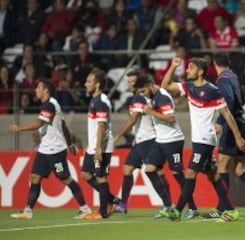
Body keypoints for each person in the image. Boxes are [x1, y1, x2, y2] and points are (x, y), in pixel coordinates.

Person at [160, 57, 245, 222]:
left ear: (200, 71)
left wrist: (238, 137)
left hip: (206, 139)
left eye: (191, 68)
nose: (187, 71)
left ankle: (177, 210)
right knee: (213, 176)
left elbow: (227, 115)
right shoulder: (189, 86)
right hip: (198, 140)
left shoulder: (213, 90)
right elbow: (165, 86)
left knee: (191, 171)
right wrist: (172, 66)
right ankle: (232, 211)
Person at [202, 52, 245, 219]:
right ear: (229, 62)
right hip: (241, 121)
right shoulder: (233, 76)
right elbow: (241, 98)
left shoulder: (222, 79)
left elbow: (229, 103)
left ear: (213, 64)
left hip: (231, 124)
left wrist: (220, 121)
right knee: (239, 169)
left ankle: (222, 207)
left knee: (222, 166)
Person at [9, 79, 91, 219]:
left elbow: (39, 123)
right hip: (44, 149)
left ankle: (85, 208)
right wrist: (70, 143)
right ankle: (27, 211)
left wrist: (19, 128)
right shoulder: (50, 105)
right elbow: (63, 125)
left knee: (65, 179)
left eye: (39, 87)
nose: (36, 90)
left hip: (56, 151)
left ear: (46, 90)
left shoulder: (50, 105)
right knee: (34, 177)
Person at [134, 74, 199, 220]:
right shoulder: (154, 96)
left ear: (150, 85)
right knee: (149, 169)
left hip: (173, 140)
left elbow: (170, 118)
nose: (143, 94)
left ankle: (193, 207)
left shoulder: (162, 97)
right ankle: (168, 205)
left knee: (177, 174)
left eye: (143, 91)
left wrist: (150, 112)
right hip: (160, 140)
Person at [112, 71, 171, 218]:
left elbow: (133, 119)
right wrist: (136, 135)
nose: (130, 84)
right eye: (129, 81)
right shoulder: (137, 97)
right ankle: (123, 205)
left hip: (149, 139)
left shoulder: (140, 97)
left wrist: (118, 135)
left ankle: (168, 204)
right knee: (127, 169)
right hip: (140, 140)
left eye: (133, 81)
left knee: (156, 171)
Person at [80, 69, 119, 219]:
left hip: (101, 146)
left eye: (89, 81)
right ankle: (112, 200)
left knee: (101, 177)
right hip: (94, 146)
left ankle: (102, 212)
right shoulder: (95, 100)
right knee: (85, 174)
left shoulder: (101, 101)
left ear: (97, 85)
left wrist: (98, 148)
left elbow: (102, 126)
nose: (85, 84)